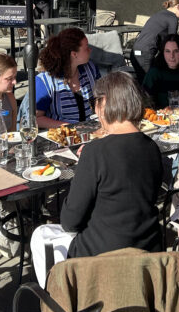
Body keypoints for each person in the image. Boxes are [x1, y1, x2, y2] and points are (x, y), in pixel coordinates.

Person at [30, 72, 164, 287]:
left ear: (103, 104)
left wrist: (83, 170)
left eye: (95, 102)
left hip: (103, 252)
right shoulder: (152, 147)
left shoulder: (96, 152)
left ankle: (59, 298)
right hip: (147, 244)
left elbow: (70, 221)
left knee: (41, 235)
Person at [35, 27, 101, 127]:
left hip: (90, 130)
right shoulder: (45, 81)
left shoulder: (90, 69)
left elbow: (100, 97)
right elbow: (36, 119)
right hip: (61, 136)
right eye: (86, 47)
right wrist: (68, 126)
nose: (90, 50)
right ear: (74, 54)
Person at [130, 0, 179, 83]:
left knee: (145, 83)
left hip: (134, 52)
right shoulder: (172, 18)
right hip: (145, 54)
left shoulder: (159, 14)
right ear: (177, 6)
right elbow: (172, 41)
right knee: (150, 85)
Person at [142, 34, 179, 108]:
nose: (171, 56)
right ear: (162, 53)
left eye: (176, 51)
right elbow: (144, 100)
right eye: (167, 51)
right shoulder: (154, 73)